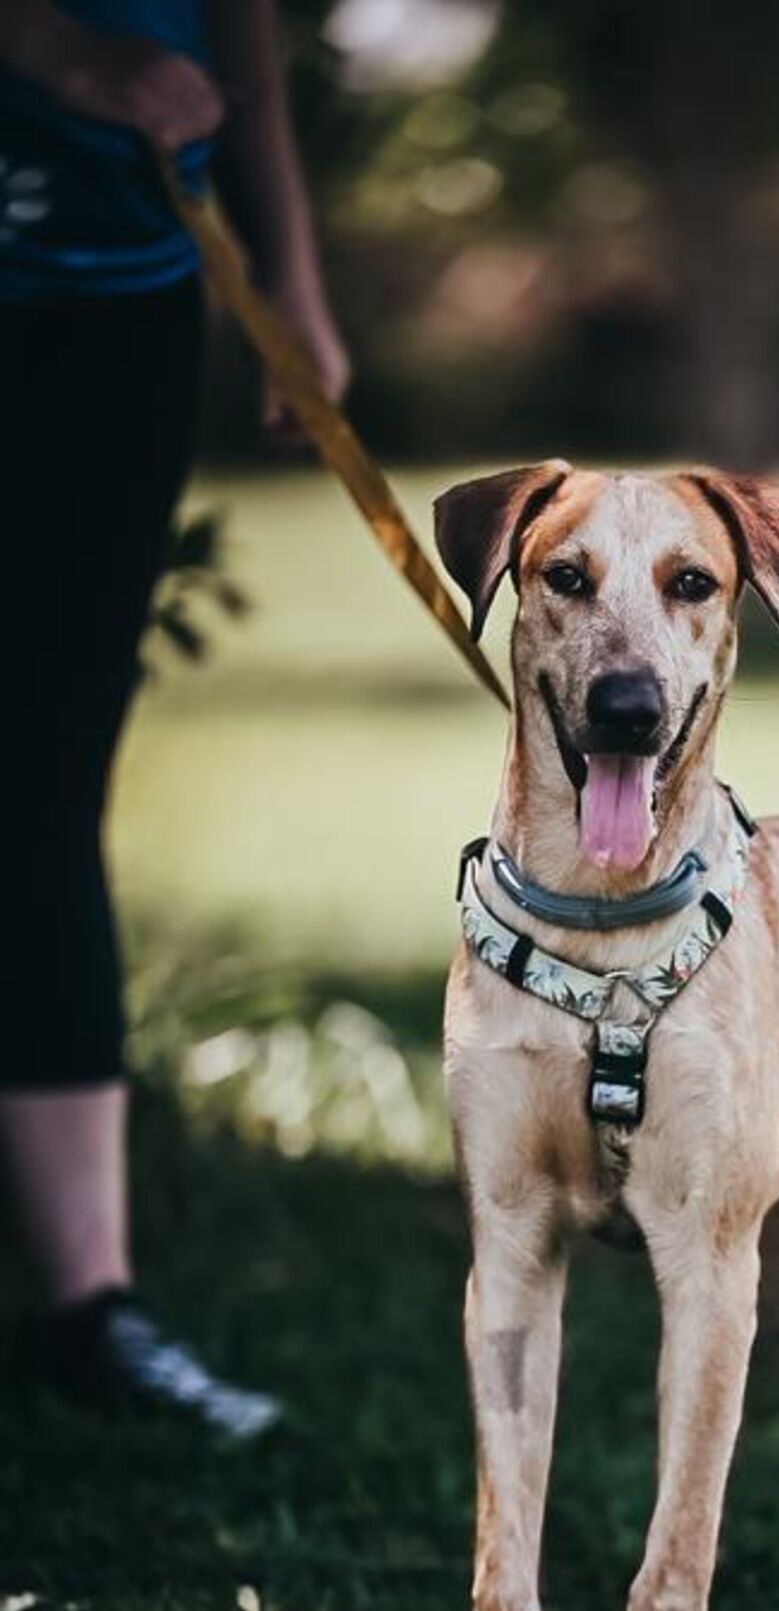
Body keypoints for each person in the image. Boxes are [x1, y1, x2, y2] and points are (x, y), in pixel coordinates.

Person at [0, 1, 348, 1437]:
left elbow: (241, 60)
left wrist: (296, 296)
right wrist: (58, 51)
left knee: (40, 795)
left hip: (122, 313)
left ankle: (94, 1312)